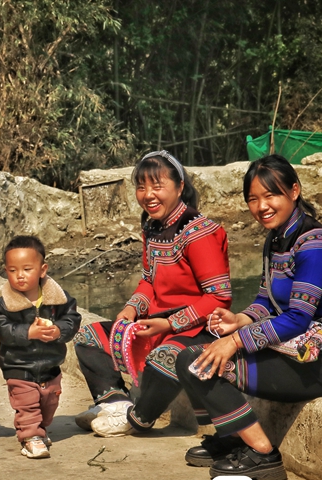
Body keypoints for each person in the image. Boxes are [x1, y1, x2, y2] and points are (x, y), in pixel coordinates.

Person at [175, 154, 322, 480]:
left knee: (199, 361)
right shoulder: (276, 239)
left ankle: (263, 453)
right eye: (253, 199)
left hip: (320, 363)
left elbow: (299, 318)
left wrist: (234, 342)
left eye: (271, 195)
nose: (262, 206)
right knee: (190, 355)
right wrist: (239, 320)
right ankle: (234, 436)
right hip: (289, 351)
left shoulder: (315, 245)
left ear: (294, 191)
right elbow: (265, 301)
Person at [73, 150, 232, 437]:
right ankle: (116, 405)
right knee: (88, 338)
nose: (148, 195)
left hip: (195, 329)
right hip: (155, 324)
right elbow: (149, 279)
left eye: (157, 186)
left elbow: (219, 298)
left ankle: (139, 418)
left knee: (165, 357)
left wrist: (170, 324)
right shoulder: (151, 226)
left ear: (180, 187)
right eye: (141, 186)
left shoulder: (200, 232)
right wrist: (131, 308)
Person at [0, 235, 81, 459]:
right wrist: (27, 332)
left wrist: (58, 330)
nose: (20, 275)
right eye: (12, 270)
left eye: (27, 269)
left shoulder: (58, 299)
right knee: (27, 406)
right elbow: (2, 328)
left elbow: (72, 318)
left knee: (49, 404)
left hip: (50, 365)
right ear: (6, 271)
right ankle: (30, 436)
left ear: (42, 270)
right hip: (18, 366)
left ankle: (39, 429)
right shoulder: (4, 304)